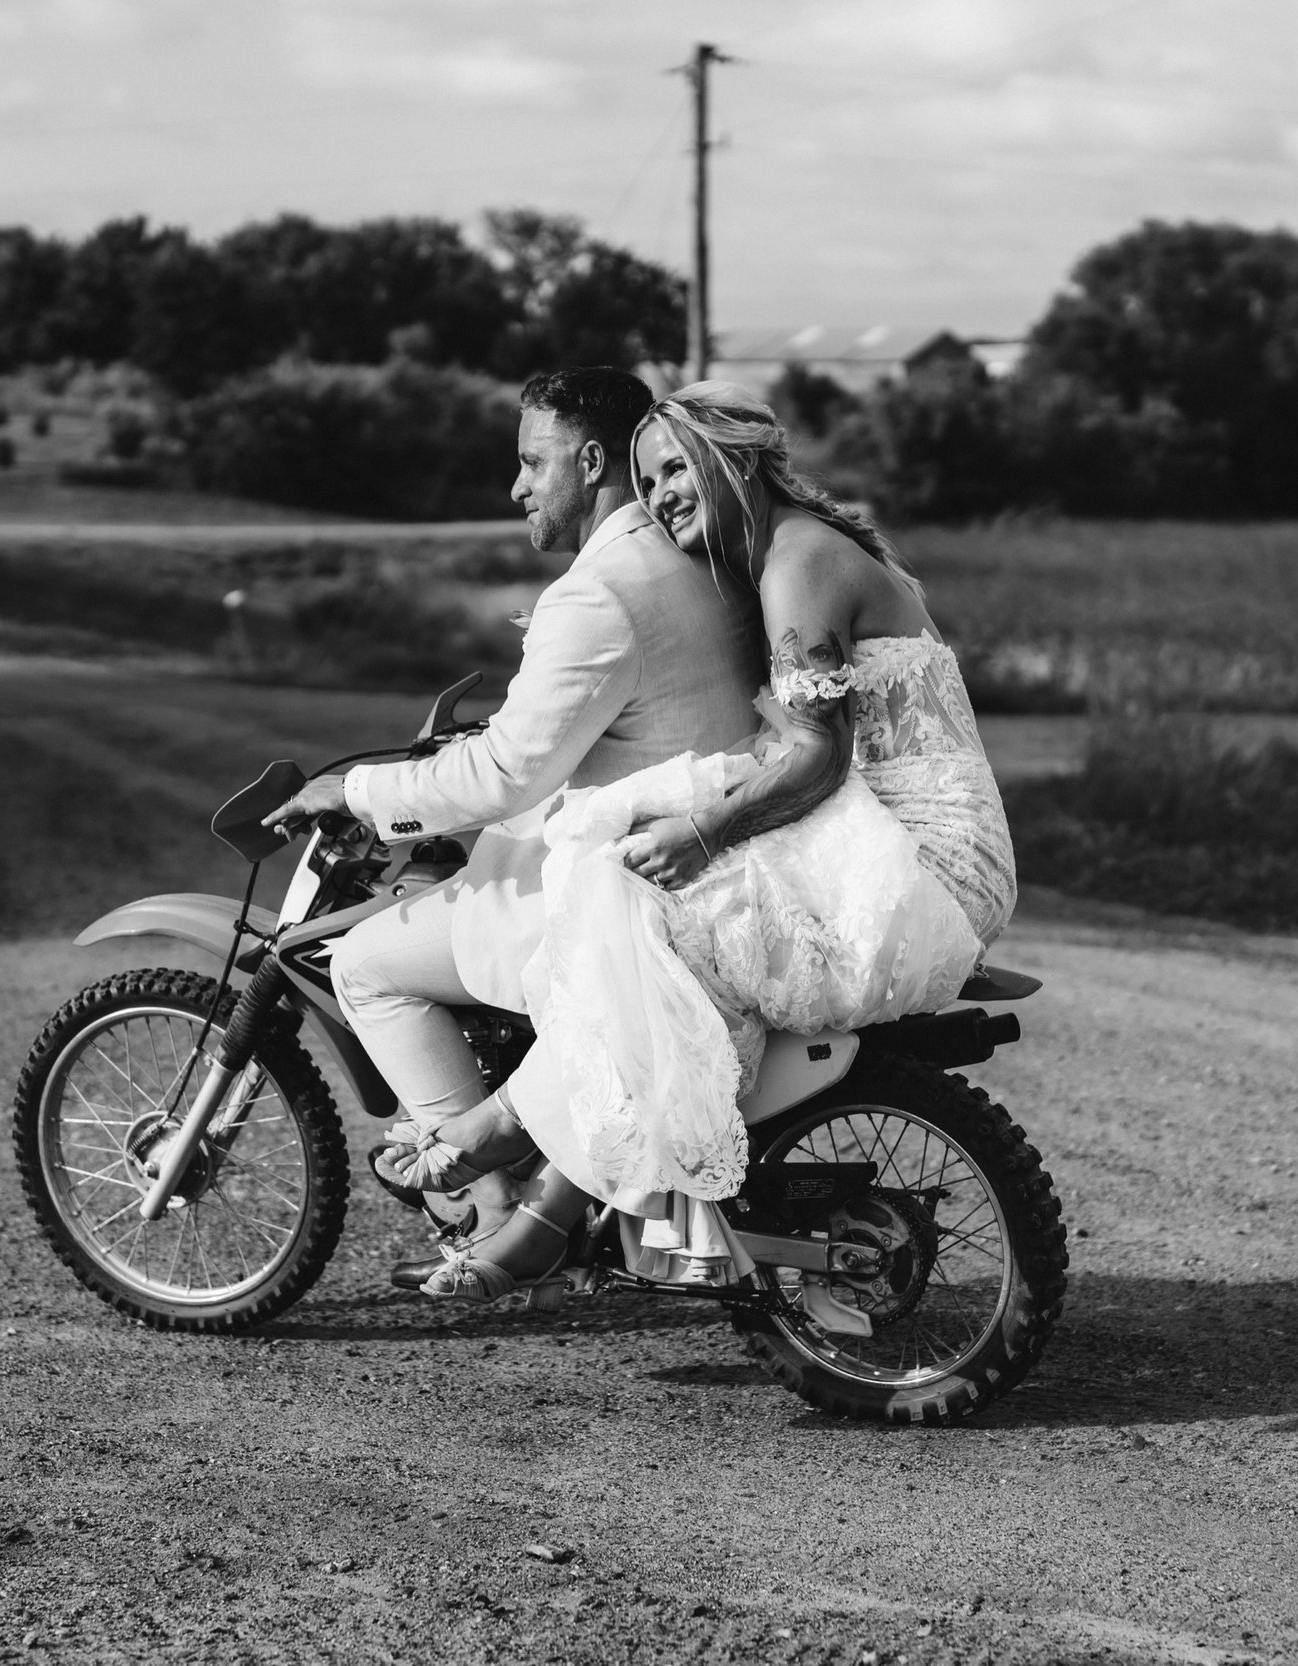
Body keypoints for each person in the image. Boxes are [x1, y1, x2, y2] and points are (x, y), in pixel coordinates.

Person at [374, 380, 1018, 1297]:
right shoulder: (781, 555)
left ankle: (504, 1139)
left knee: (646, 919)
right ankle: (559, 1206)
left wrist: (703, 834)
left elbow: (817, 756)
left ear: (738, 459)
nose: (665, 492)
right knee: (620, 887)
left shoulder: (797, 564)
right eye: (650, 477)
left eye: (678, 467)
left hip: (926, 858)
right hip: (893, 827)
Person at [260, 367, 762, 1284]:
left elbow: (503, 775)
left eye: (534, 462)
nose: (517, 486)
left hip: (620, 881)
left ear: (594, 460)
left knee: (368, 964)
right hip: (704, 852)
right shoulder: (696, 555)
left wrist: (362, 793)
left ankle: (488, 1201)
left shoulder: (596, 593)